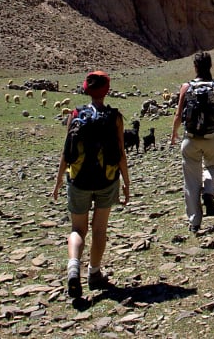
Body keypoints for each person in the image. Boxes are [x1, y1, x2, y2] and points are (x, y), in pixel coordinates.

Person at [52, 70, 130, 298]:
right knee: (99, 228)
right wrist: (126, 182)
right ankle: (94, 273)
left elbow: (66, 151)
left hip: (78, 180)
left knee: (78, 229)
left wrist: (58, 181)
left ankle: (73, 267)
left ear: (86, 89)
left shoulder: (76, 113)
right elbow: (121, 153)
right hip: (107, 180)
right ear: (107, 90)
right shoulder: (115, 116)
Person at [170, 51, 214, 233]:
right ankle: (208, 190)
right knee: (212, 166)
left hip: (190, 139)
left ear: (195, 67)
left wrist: (174, 133)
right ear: (210, 66)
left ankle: (195, 222)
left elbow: (178, 113)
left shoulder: (186, 87)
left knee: (190, 181)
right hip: (212, 137)